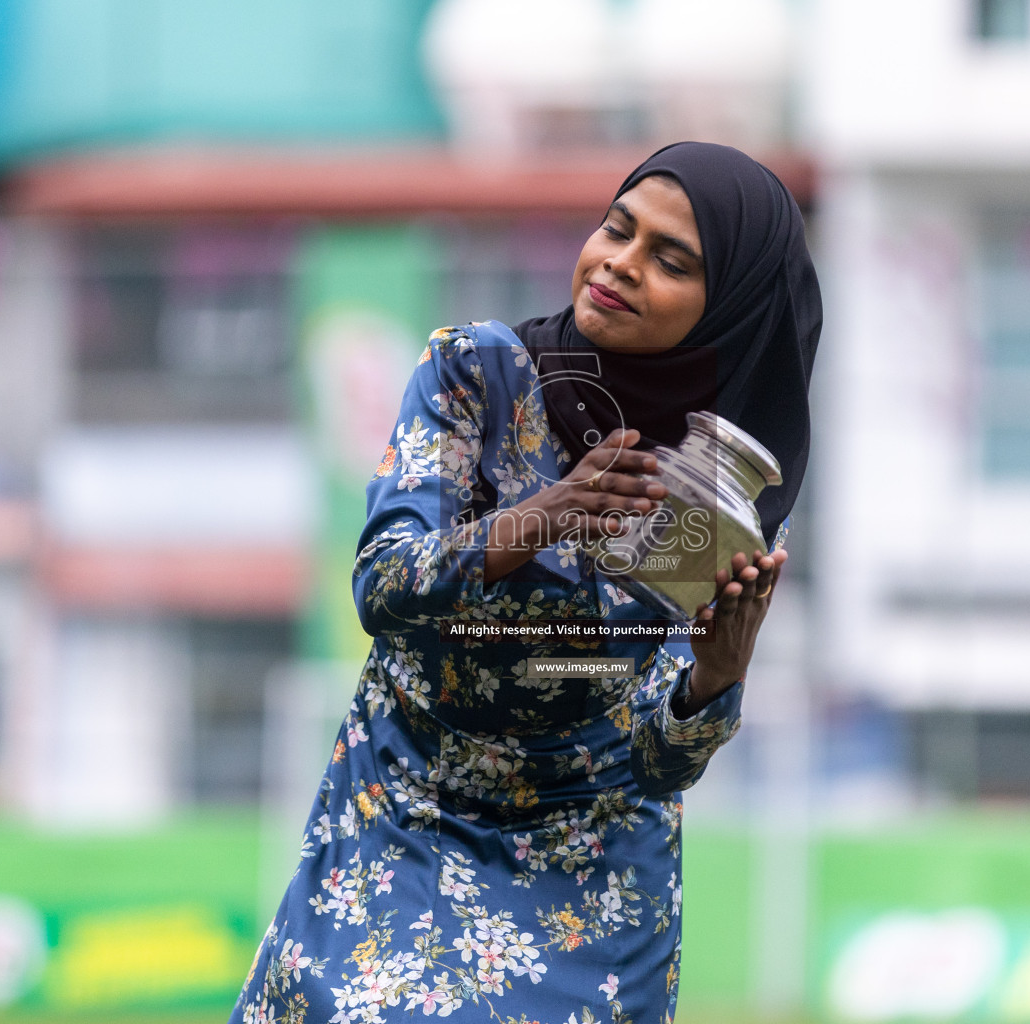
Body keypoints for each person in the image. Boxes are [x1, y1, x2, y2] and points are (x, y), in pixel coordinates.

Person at [231, 141, 821, 1024]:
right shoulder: (478, 376)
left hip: (594, 864)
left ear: (725, 312)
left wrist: (713, 679)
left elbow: (656, 760)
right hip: (410, 805)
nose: (620, 263)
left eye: (671, 261)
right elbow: (383, 589)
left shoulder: (721, 488)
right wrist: (538, 516)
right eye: (617, 229)